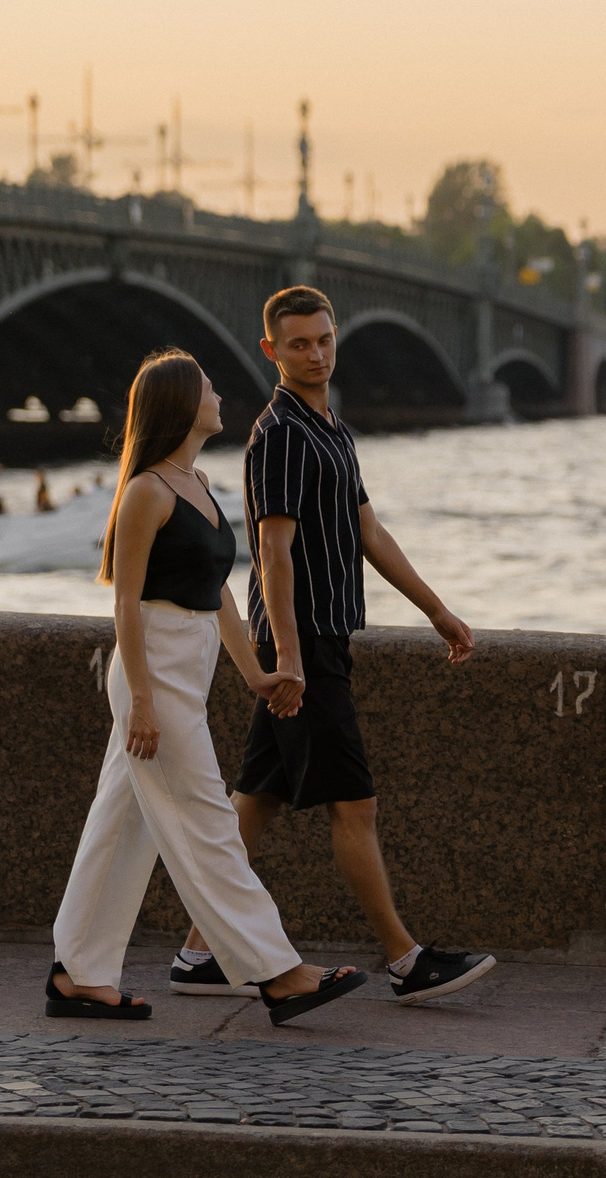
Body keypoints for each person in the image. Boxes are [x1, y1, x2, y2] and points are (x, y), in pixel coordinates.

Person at [169, 285, 495, 1006]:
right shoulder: (281, 432)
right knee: (355, 805)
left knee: (255, 801)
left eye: (323, 339)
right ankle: (407, 960)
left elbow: (369, 533)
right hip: (306, 644)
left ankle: (198, 954)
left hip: (321, 637)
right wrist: (286, 658)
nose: (315, 354)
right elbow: (273, 551)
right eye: (298, 344)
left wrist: (437, 610)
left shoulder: (333, 430)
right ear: (271, 351)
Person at [46, 347, 366, 1027]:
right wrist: (141, 699)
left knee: (122, 823)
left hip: (184, 667)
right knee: (208, 821)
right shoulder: (146, 492)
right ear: (180, 403)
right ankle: (278, 972)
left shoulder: (193, 481)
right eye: (208, 387)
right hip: (153, 669)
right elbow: (127, 604)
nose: (220, 395)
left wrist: (254, 672)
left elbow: (218, 589)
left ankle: (78, 973)